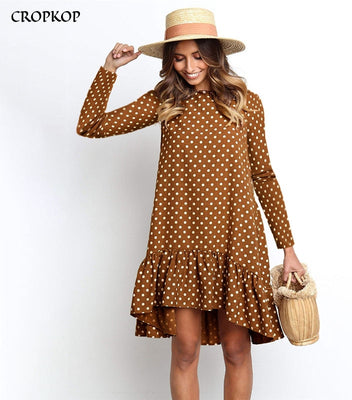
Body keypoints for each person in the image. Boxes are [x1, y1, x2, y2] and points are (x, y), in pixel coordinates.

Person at [76, 7, 305, 400]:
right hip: (182, 239)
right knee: (185, 349)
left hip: (237, 239)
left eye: (198, 56)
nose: (189, 66)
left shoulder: (245, 102)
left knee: (236, 349)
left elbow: (264, 176)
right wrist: (109, 69)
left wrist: (289, 249)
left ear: (215, 55)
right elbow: (90, 125)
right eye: (179, 58)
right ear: (170, 62)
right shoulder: (165, 100)